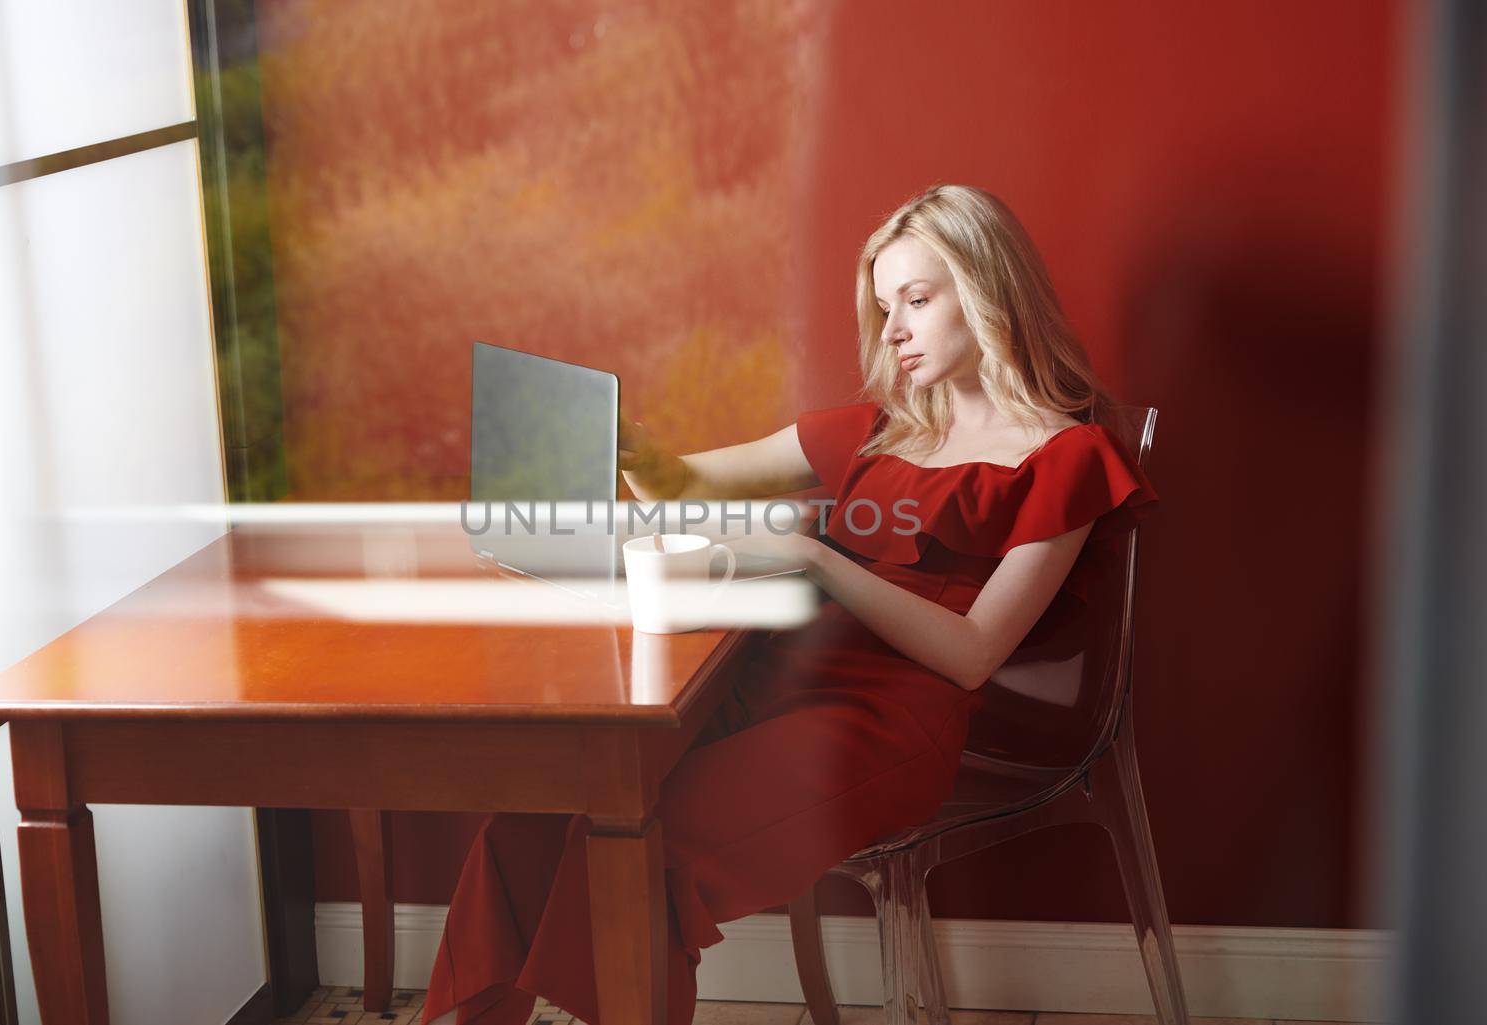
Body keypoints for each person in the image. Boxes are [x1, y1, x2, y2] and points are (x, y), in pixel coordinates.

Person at [419, 184, 1160, 1025]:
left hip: (887, 724)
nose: (894, 331)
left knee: (638, 852)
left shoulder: (1068, 459)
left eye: (917, 299)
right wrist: (621, 444)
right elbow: (685, 486)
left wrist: (812, 555)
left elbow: (972, 651)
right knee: (537, 812)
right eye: (885, 307)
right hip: (767, 676)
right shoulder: (882, 429)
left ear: (989, 291)